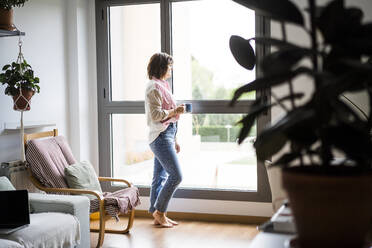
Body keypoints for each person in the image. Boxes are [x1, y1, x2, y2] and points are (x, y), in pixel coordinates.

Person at [145, 52, 185, 228]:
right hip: (160, 137)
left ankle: (157, 214)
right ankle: (159, 212)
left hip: (167, 135)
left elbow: (169, 116)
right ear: (161, 67)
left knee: (159, 177)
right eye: (169, 66)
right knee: (176, 176)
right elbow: (156, 115)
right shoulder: (153, 87)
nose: (171, 69)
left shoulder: (163, 85)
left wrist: (175, 139)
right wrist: (175, 111)